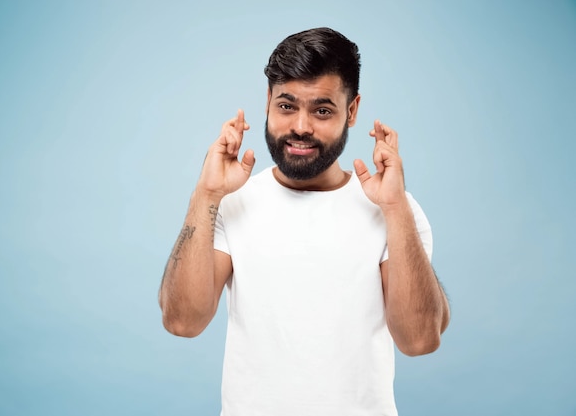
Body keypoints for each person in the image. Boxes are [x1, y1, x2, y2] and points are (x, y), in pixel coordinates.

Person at [159, 27, 450, 416]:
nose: (301, 126)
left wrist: (395, 209)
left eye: (322, 110)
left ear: (352, 111)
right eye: (286, 106)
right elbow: (182, 321)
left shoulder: (393, 208)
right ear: (267, 102)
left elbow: (418, 340)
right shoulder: (231, 203)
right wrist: (206, 194)